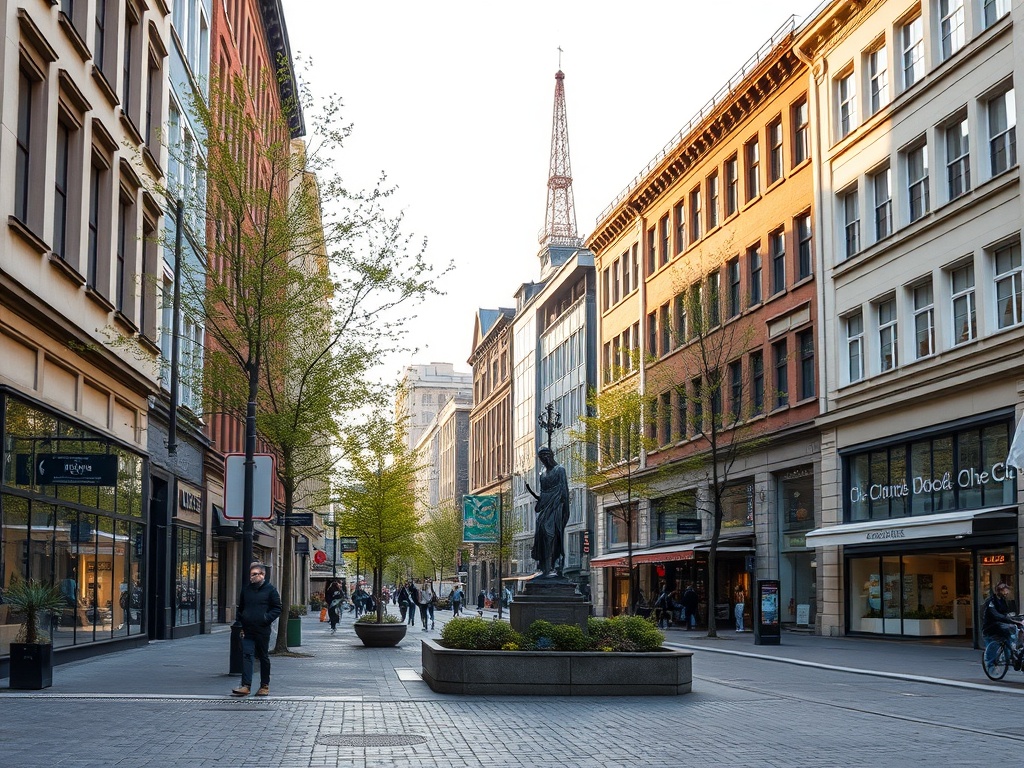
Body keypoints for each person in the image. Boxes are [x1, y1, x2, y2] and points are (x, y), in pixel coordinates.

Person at [232, 563, 282, 697]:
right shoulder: (246, 590)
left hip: (262, 630)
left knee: (263, 657)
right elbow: (241, 607)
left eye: (255, 574)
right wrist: (241, 620)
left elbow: (277, 608)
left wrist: (266, 619)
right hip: (248, 629)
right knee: (247, 656)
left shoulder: (271, 590)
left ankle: (264, 685)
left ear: (262, 575)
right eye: (251, 574)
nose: (252, 577)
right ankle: (246, 686)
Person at [524, 446, 570, 577]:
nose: (544, 460)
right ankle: (544, 567)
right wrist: (532, 493)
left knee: (551, 534)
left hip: (556, 507)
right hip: (545, 507)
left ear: (551, 455)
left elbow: (564, 491)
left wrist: (565, 512)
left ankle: (554, 566)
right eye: (541, 458)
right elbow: (543, 495)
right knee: (541, 533)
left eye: (545, 456)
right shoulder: (542, 473)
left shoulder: (560, 470)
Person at [983, 582, 1021, 672]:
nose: (1006, 593)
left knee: (1013, 632)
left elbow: (1007, 612)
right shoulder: (991, 601)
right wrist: (1009, 619)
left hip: (1002, 625)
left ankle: (1010, 655)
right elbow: (995, 615)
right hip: (992, 627)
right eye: (1004, 590)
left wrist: (1016, 618)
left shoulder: (1003, 600)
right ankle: (990, 665)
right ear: (999, 591)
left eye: (1007, 591)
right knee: (994, 645)